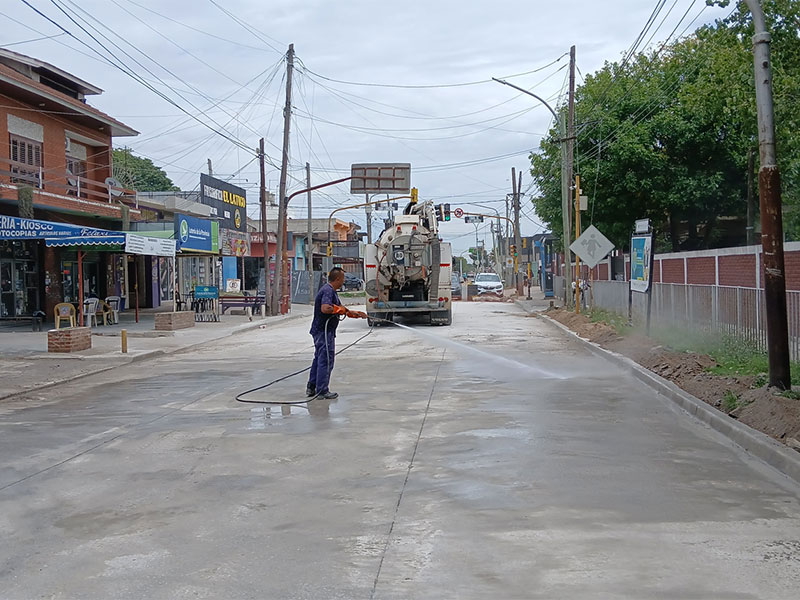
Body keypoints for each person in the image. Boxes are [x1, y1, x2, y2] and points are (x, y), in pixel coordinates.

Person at [306, 267, 366, 399]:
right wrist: (340, 310)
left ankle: (312, 386)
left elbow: (340, 309)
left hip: (321, 330)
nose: (344, 281)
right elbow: (325, 308)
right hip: (323, 331)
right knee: (326, 360)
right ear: (338, 279)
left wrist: (354, 313)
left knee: (319, 358)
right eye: (343, 279)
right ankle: (322, 390)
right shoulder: (328, 290)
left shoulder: (330, 290)